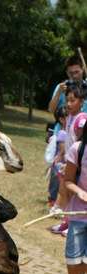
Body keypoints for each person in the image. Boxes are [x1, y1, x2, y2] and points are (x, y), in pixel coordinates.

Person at [49, 82, 86, 230]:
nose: (69, 104)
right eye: (67, 100)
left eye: (73, 100)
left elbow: (81, 143)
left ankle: (73, 223)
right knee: (64, 191)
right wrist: (62, 155)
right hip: (68, 162)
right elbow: (69, 139)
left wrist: (72, 162)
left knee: (69, 191)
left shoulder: (81, 119)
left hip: (76, 163)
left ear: (82, 102)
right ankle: (68, 221)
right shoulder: (69, 117)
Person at [61, 115, 87, 274]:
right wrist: (79, 192)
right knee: (73, 260)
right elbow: (68, 180)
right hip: (79, 215)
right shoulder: (79, 148)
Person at [48, 54, 87, 121]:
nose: (74, 76)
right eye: (71, 73)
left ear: (82, 69)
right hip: (64, 126)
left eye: (77, 72)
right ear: (67, 72)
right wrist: (59, 92)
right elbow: (51, 109)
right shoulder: (61, 87)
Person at [48, 106, 67, 208]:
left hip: (62, 164)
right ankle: (53, 200)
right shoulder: (62, 134)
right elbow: (62, 151)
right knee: (57, 182)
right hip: (59, 165)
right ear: (62, 119)